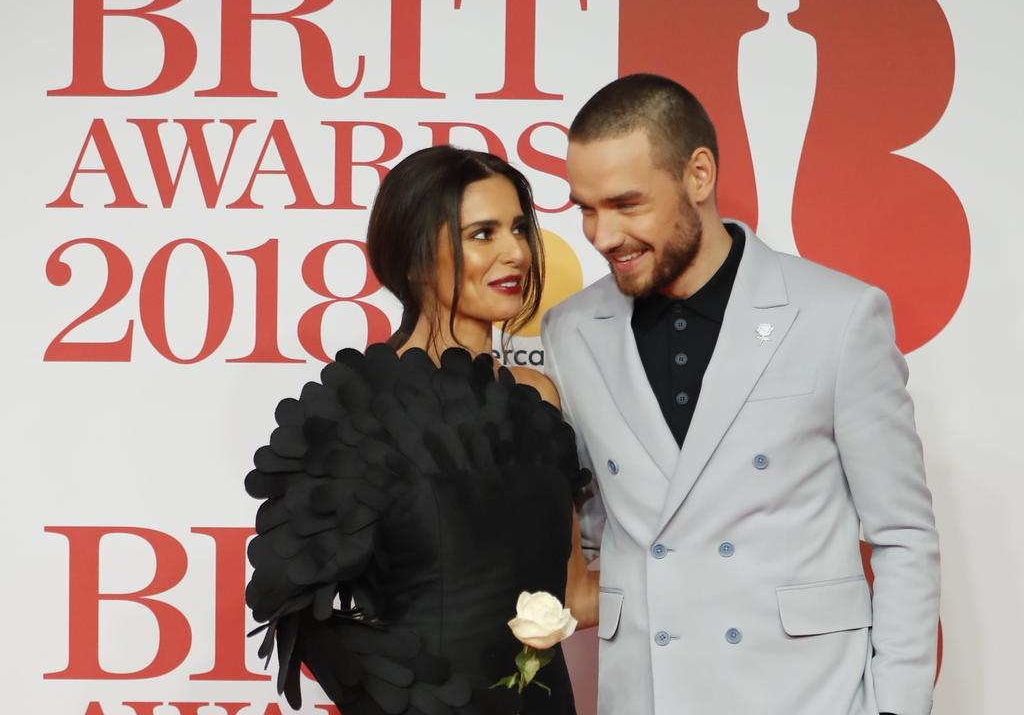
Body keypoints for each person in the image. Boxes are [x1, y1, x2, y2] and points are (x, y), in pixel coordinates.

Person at [541, 74, 940, 715]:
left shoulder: (836, 316)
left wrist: (893, 707)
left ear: (698, 175)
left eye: (626, 204)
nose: (602, 235)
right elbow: (590, 522)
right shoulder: (569, 331)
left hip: (805, 694)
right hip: (647, 693)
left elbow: (903, 535)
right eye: (585, 208)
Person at [244, 145, 597, 715]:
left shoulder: (538, 396)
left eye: (518, 229)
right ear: (414, 255)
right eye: (482, 234)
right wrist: (412, 696)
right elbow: (293, 604)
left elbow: (574, 592)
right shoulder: (361, 409)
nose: (516, 252)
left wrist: (719, 573)